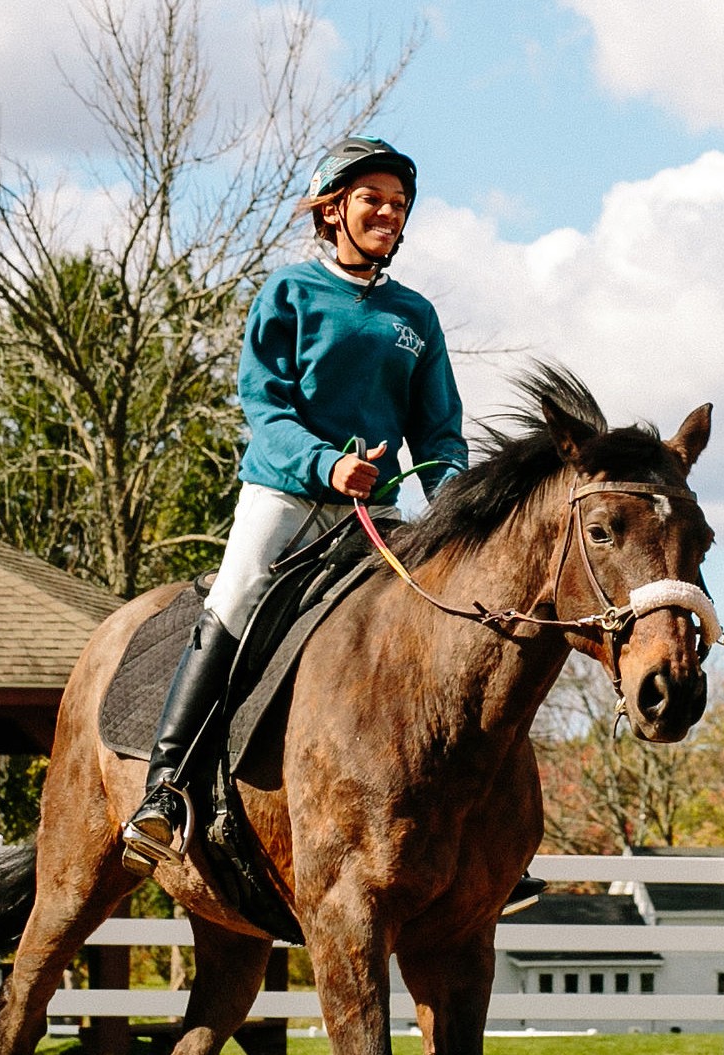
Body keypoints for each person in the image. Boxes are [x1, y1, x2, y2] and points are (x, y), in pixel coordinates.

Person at [120, 136, 544, 913]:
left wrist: (453, 511)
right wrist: (325, 466)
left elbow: (441, 433)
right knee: (237, 599)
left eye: (398, 201)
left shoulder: (414, 315)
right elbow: (265, 409)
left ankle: (485, 842)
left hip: (375, 510)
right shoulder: (288, 293)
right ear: (332, 210)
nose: (388, 210)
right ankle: (165, 789)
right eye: (372, 198)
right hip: (286, 493)